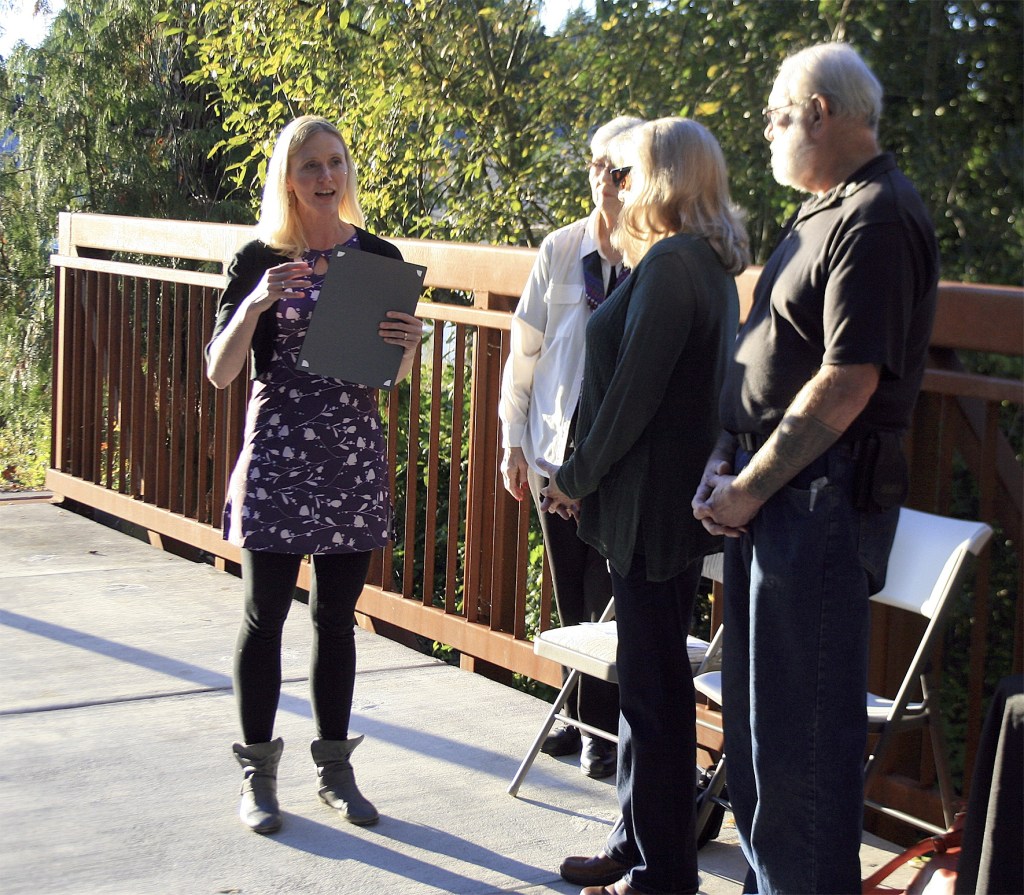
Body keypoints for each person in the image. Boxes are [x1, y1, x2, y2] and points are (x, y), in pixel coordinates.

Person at [691, 43, 939, 894]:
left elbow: (847, 382)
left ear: (820, 114)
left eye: (775, 114)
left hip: (818, 511)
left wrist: (749, 485)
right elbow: (772, 364)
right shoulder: (820, 212)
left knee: (800, 754)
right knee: (759, 745)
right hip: (772, 504)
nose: (765, 131)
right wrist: (729, 459)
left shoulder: (877, 216)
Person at [544, 117, 749, 895]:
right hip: (660, 510)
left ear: (662, 177)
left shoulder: (672, 267)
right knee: (645, 684)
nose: (619, 188)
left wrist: (576, 475)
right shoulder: (699, 263)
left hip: (650, 515)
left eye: (628, 173)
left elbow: (632, 396)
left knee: (656, 696)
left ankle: (667, 870)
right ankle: (636, 840)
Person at [206, 115, 423, 835]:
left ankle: (335, 771)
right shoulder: (256, 258)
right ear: (287, 180)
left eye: (335, 163)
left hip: (351, 455)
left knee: (336, 619)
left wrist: (410, 345)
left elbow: (392, 375)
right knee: (264, 615)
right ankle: (258, 779)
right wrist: (256, 302)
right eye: (310, 167)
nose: (326, 178)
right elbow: (219, 371)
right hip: (276, 454)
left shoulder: (378, 257)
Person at [499, 114, 643, 780]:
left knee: (611, 596)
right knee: (571, 598)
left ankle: (598, 730)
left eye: (616, 170)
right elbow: (525, 354)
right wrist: (512, 442)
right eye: (594, 166)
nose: (602, 181)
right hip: (556, 452)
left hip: (619, 466)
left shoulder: (654, 258)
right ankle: (581, 718)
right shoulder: (561, 250)